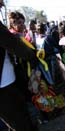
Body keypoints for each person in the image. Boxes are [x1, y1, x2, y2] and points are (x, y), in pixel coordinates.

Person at [0, 0, 38, 130]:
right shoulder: (11, 34)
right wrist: (34, 56)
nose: (2, 3)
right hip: (4, 86)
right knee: (20, 122)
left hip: (9, 82)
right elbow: (15, 46)